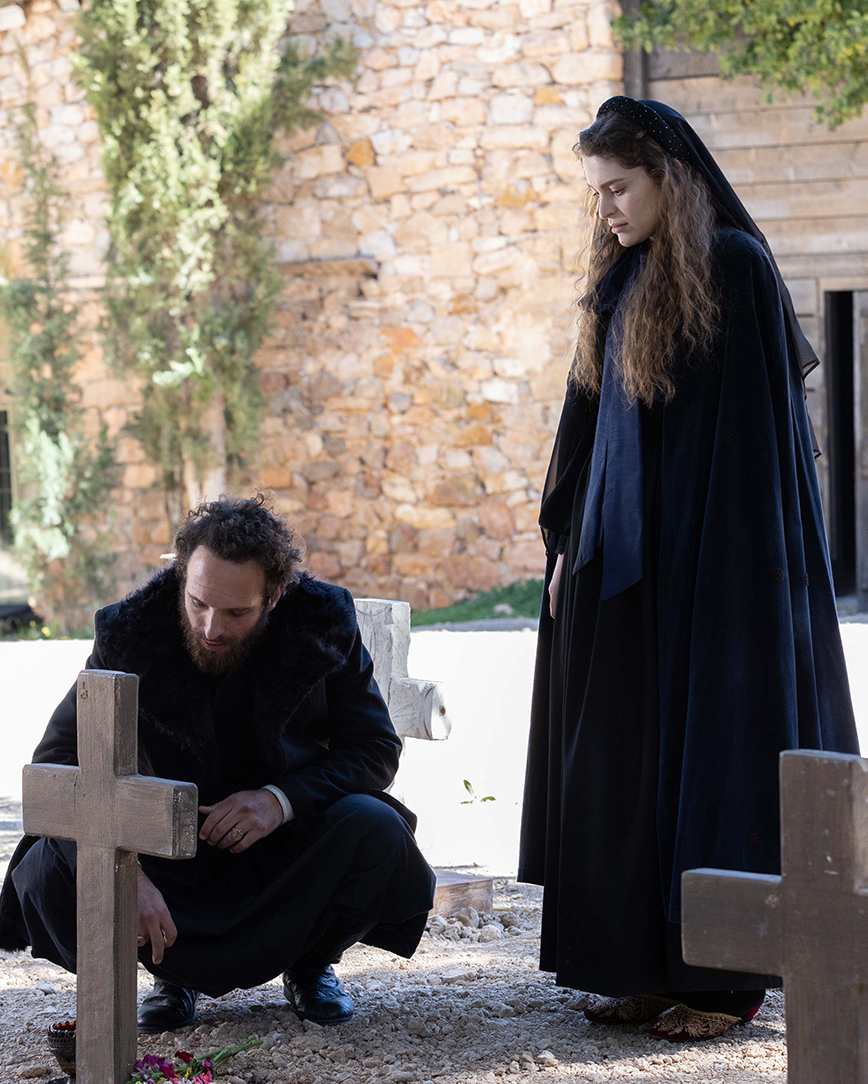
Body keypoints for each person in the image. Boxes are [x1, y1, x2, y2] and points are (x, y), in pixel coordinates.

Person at [518, 97, 860, 1042]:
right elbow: (583, 426)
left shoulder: (734, 267)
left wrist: (725, 579)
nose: (607, 209)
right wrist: (565, 548)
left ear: (670, 177)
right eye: (597, 193)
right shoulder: (622, 274)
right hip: (621, 569)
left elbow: (750, 453)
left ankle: (720, 985)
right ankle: (636, 967)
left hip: (713, 570)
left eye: (619, 188)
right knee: (623, 762)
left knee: (711, 760)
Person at [0, 494, 436, 1031]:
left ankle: (311, 963)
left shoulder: (322, 622)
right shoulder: (130, 632)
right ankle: (170, 976)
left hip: (283, 851)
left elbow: (374, 748)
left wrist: (279, 802)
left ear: (273, 597)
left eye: (236, 612)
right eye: (198, 603)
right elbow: (57, 767)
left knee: (378, 829)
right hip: (166, 859)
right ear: (182, 578)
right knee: (48, 862)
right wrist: (123, 875)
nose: (210, 628)